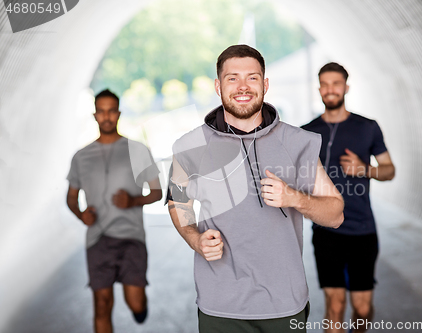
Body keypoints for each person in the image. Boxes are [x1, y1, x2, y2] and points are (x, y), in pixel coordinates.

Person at [167, 45, 344, 333]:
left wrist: (294, 197)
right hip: (220, 306)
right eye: (232, 78)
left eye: (252, 77)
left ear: (265, 84)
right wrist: (194, 239)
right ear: (217, 85)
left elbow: (336, 214)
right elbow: (178, 202)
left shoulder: (297, 142)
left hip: (284, 304)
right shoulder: (189, 146)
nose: (242, 87)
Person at [302, 62, 396, 333]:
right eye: (325, 84)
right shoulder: (305, 132)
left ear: (346, 87)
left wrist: (365, 169)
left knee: (363, 308)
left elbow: (389, 170)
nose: (330, 89)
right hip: (326, 230)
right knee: (334, 304)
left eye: (336, 83)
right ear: (319, 88)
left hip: (362, 229)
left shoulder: (367, 127)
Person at [66, 89, 162, 333]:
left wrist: (132, 201)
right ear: (95, 115)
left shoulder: (138, 150)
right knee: (102, 304)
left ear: (118, 113)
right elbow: (71, 198)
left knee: (135, 301)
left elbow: (157, 192)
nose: (106, 116)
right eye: (101, 112)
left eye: (111, 111)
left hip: (131, 237)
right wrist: (81, 214)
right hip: (97, 239)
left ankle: (140, 307)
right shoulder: (81, 157)